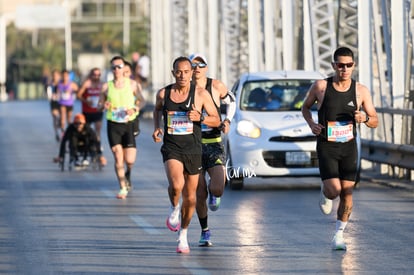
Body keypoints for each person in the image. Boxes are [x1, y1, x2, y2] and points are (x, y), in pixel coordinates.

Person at [301, 46, 378, 250]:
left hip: (349, 146)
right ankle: (325, 190)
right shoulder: (321, 87)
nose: (344, 69)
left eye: (348, 65)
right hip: (327, 145)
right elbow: (305, 107)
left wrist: (365, 118)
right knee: (334, 191)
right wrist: (312, 124)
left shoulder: (361, 90)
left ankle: (339, 235)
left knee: (348, 192)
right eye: (340, 65)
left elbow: (375, 120)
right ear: (334, 65)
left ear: (354, 66)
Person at [152, 56, 221, 253]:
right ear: (173, 73)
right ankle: (174, 208)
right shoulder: (164, 93)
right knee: (176, 185)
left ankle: (183, 235)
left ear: (192, 73)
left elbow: (217, 120)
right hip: (172, 147)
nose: (182, 75)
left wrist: (202, 118)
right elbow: (157, 110)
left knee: (191, 197)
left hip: (193, 148)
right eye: (178, 72)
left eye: (186, 71)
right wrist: (158, 128)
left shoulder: (200, 94)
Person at [188, 53, 236, 247]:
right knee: (199, 193)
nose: (197, 68)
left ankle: (215, 193)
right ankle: (205, 231)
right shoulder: (184, 89)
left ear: (206, 67)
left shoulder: (215, 86)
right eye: (193, 64)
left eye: (201, 64)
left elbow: (231, 101)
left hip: (214, 142)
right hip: (193, 145)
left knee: (217, 187)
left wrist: (227, 120)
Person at [98, 56, 141, 199]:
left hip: (128, 123)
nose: (116, 69)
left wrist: (135, 108)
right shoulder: (106, 86)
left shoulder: (133, 84)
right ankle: (122, 187)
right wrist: (103, 105)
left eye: (119, 66)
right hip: (113, 123)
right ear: (111, 70)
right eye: (114, 67)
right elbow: (99, 104)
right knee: (118, 157)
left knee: (130, 160)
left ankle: (128, 172)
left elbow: (142, 100)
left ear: (124, 68)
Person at [77, 68, 104, 141]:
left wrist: (103, 103)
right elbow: (79, 95)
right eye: (94, 75)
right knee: (86, 130)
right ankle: (88, 145)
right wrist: (86, 101)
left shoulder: (102, 84)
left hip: (98, 111)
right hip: (87, 111)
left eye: (98, 75)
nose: (96, 76)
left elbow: (106, 96)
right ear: (91, 75)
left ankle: (98, 145)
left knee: (98, 129)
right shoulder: (87, 83)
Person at [123, 61, 146, 137]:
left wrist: (135, 108)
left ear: (130, 73)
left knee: (129, 145)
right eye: (122, 72)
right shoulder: (113, 86)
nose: (124, 74)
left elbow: (142, 101)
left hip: (132, 118)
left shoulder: (135, 85)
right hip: (117, 119)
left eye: (126, 72)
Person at [58, 69, 79, 134]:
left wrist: (73, 92)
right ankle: (63, 132)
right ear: (61, 76)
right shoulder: (59, 84)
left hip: (70, 103)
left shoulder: (71, 84)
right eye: (63, 76)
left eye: (66, 76)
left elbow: (78, 90)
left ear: (68, 76)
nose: (65, 77)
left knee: (69, 119)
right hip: (62, 103)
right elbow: (57, 92)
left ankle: (69, 132)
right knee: (62, 119)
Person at [45, 69, 62, 142]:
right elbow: (48, 94)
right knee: (55, 116)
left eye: (57, 75)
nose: (55, 77)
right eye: (54, 75)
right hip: (54, 103)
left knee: (61, 118)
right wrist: (51, 96)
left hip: (62, 102)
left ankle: (62, 131)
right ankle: (56, 133)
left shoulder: (62, 83)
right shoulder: (50, 84)